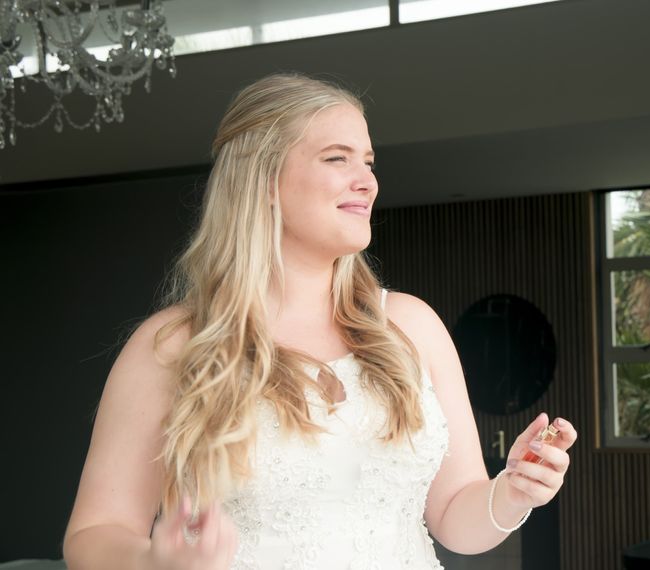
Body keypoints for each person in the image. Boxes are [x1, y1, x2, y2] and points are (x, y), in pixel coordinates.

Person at [62, 72, 577, 570]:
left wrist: (512, 490)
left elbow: (454, 519)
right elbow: (93, 536)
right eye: (338, 158)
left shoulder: (413, 326)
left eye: (369, 163)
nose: (368, 183)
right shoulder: (174, 344)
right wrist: (156, 562)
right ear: (262, 180)